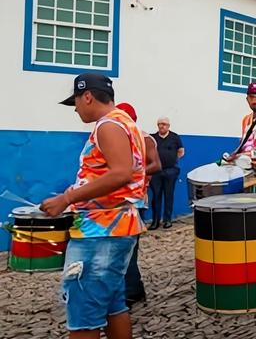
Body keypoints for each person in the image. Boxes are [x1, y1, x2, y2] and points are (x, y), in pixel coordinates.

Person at [40, 73, 147, 339]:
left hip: (100, 233)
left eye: (75, 101)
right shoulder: (126, 123)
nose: (75, 108)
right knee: (114, 306)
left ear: (87, 96)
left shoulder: (108, 125)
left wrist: (67, 199)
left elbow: (121, 173)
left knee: (83, 314)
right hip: (115, 227)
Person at [116, 103, 162, 308]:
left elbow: (156, 164)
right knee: (121, 247)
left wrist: (133, 172)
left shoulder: (144, 138)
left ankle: (132, 290)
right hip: (118, 201)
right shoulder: (117, 138)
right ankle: (131, 288)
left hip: (136, 199)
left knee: (129, 247)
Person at [149, 116, 184, 229]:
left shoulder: (175, 137)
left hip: (170, 170)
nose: (161, 126)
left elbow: (181, 151)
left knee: (169, 196)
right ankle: (155, 221)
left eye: (164, 124)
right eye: (159, 124)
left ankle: (167, 220)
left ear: (168, 126)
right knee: (156, 196)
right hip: (156, 172)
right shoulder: (153, 138)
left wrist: (172, 159)